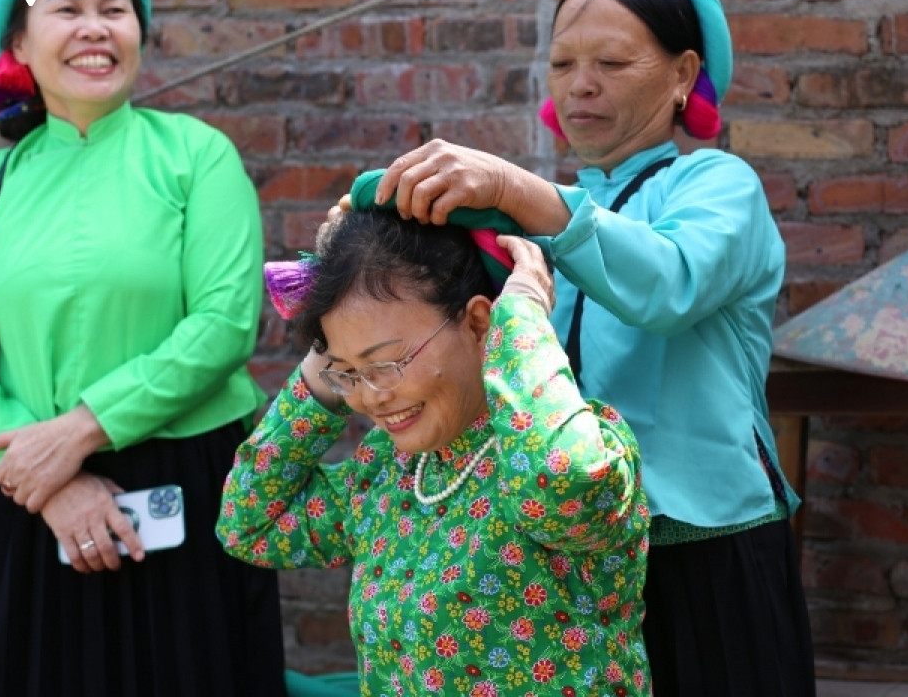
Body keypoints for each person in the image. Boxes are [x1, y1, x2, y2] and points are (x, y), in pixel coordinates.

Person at [373, 0, 815, 697]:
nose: (582, 86)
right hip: (568, 553)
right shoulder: (532, 213)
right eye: (564, 64)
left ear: (682, 75)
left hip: (706, 545)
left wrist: (518, 192)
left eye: (612, 63)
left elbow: (669, 284)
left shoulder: (716, 185)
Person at [0, 0, 285, 696]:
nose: (95, 28)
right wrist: (52, 480)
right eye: (67, 9)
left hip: (186, 489)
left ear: (140, 32)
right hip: (24, 494)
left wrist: (78, 434)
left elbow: (223, 325)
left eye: (114, 10)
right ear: (17, 36)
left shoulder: (197, 155)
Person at [218, 202, 652, 696]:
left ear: (478, 323)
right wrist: (331, 348)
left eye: (385, 362)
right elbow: (249, 525)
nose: (371, 397)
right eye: (348, 374)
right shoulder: (387, 472)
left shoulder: (586, 445)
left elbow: (562, 481)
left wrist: (523, 317)